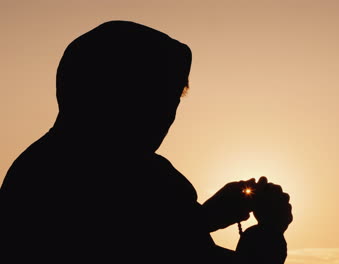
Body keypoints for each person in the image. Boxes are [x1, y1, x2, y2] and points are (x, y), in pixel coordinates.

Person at [0, 21, 292, 263]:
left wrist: (210, 217)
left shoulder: (36, 166)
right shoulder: (141, 178)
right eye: (154, 95)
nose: (167, 114)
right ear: (105, 89)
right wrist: (267, 231)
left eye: (174, 98)